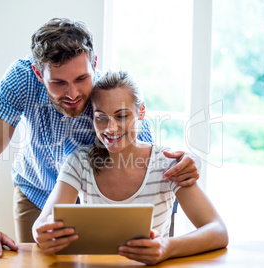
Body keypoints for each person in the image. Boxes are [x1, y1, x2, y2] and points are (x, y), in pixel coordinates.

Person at [0, 18, 201, 259]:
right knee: (39, 262)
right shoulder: (21, 79)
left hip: (95, 203)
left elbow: (143, 150)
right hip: (36, 191)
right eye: (58, 83)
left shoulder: (105, 93)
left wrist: (182, 160)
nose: (73, 93)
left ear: (94, 64)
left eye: (81, 79)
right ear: (38, 73)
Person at [32, 70, 228, 266]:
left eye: (122, 116)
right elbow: (41, 223)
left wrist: (167, 247)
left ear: (141, 111)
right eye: (101, 117)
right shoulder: (79, 162)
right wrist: (42, 233)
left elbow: (218, 230)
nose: (110, 128)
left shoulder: (166, 164)